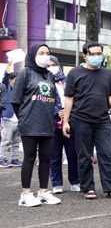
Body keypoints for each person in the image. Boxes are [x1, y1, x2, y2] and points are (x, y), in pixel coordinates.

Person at [63, 42, 111, 200]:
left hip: (103, 120)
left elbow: (110, 96)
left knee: (107, 154)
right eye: (93, 53)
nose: (97, 56)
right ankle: (88, 187)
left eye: (99, 53)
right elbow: (69, 98)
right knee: (84, 156)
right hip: (80, 119)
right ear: (85, 55)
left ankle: (110, 188)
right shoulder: (74, 73)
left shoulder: (106, 74)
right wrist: (66, 121)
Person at [12, 44, 61, 207]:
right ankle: (25, 194)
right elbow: (15, 101)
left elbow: (54, 99)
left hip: (47, 124)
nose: (45, 56)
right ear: (33, 55)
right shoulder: (25, 73)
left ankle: (43, 191)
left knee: (46, 158)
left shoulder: (50, 76)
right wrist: (24, 118)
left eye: (48, 53)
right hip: (30, 124)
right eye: (42, 53)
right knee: (29, 158)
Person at [47, 56, 80, 194]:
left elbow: (74, 98)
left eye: (53, 64)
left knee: (73, 154)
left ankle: (75, 181)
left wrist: (66, 112)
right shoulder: (44, 81)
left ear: (58, 65)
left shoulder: (67, 81)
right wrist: (56, 112)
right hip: (52, 124)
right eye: (48, 66)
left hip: (69, 122)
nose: (50, 67)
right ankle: (56, 183)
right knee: (54, 155)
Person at [0, 71, 21, 168]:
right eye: (15, 80)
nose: (17, 83)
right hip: (7, 118)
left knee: (16, 141)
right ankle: (1, 159)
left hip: (18, 119)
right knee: (6, 141)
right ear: (10, 80)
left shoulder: (20, 90)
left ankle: (14, 159)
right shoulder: (5, 88)